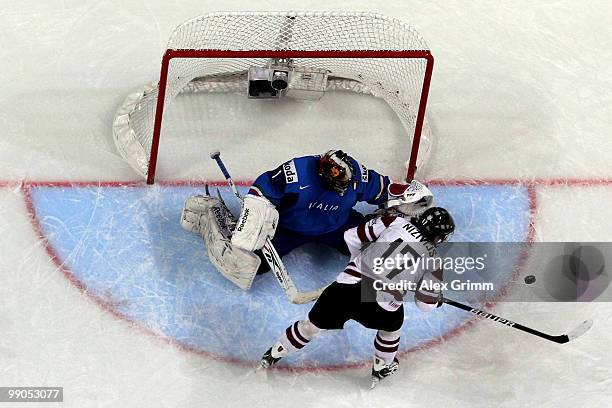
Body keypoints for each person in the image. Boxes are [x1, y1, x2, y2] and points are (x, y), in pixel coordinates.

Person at [259, 190, 455, 387]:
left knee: (311, 326)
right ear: (439, 237)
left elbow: (351, 236)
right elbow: (425, 304)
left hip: (347, 288)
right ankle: (381, 366)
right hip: (381, 306)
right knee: (391, 331)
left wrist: (357, 262)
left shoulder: (394, 222)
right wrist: (434, 299)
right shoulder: (434, 261)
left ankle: (274, 353)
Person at [182, 150, 435, 290]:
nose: (337, 184)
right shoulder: (298, 171)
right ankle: (211, 214)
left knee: (381, 255)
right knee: (248, 266)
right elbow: (263, 188)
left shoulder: (358, 176)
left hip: (337, 226)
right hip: (289, 228)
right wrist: (256, 212)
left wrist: (408, 199)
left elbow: (387, 190)